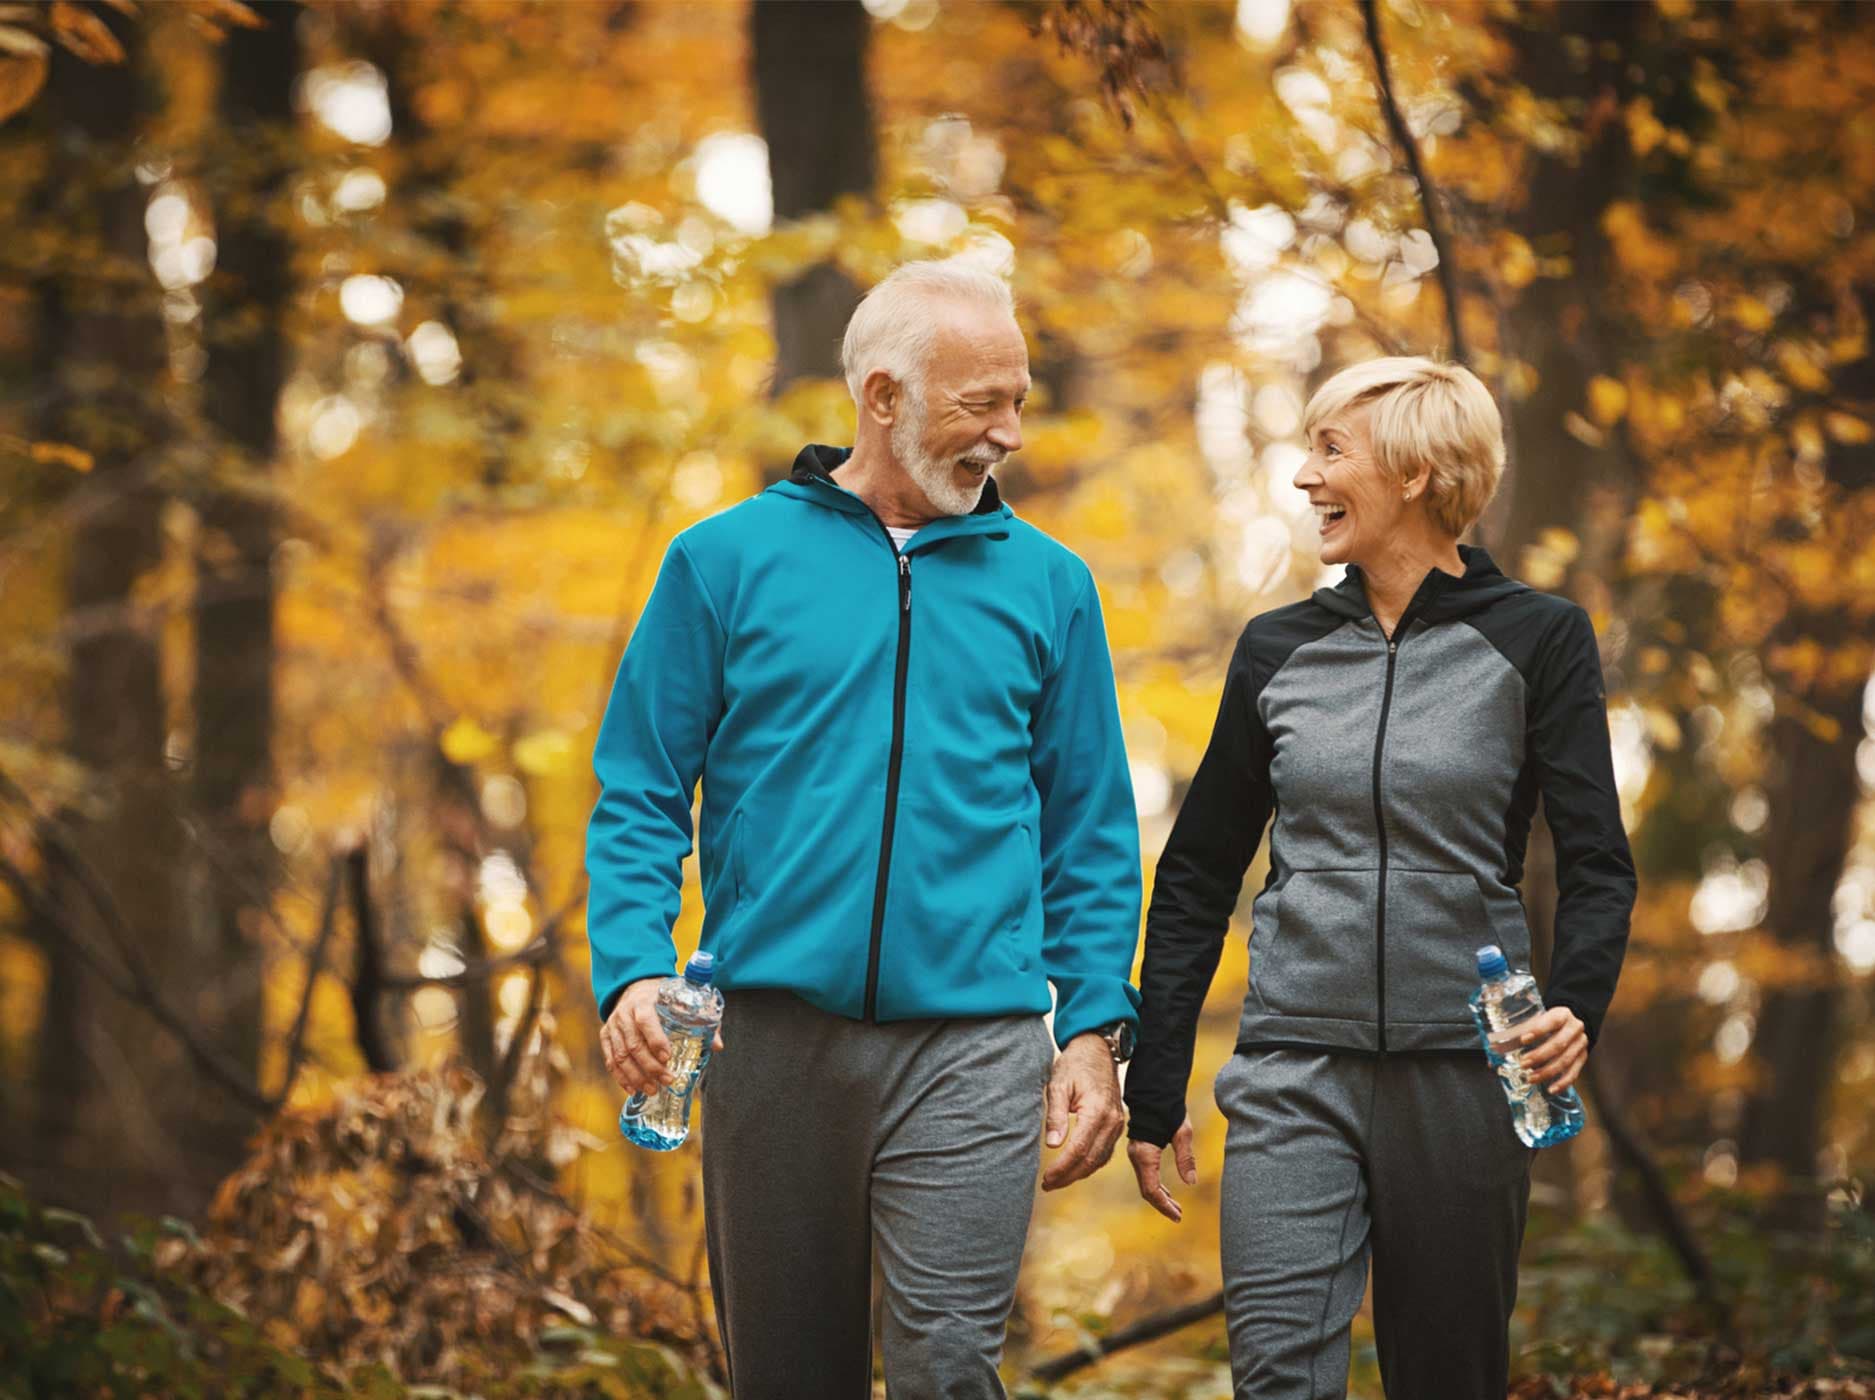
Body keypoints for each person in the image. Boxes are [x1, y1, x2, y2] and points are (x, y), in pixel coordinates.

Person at [585, 258, 1143, 1398]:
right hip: (768, 1037)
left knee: (948, 1369)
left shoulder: (1051, 584)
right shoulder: (723, 562)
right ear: (882, 396)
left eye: (1019, 398)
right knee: (790, 1376)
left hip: (976, 1042)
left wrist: (1093, 1026)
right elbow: (641, 784)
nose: (1012, 431)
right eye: (981, 402)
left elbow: (1089, 828)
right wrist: (632, 968)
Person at [1123, 357, 1635, 1400]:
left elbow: (1595, 860)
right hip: (1292, 1070)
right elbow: (1197, 873)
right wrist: (1157, 1074)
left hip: (1464, 1074)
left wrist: (1576, 1002)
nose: (1306, 477)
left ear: (1414, 469)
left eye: (1330, 449)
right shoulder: (1279, 649)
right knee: (1276, 1375)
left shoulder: (1536, 638)